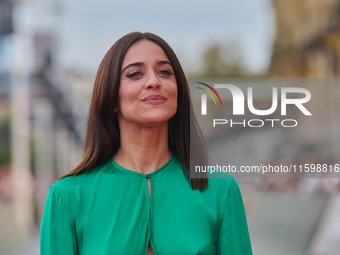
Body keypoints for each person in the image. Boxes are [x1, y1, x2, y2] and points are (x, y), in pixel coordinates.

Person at [40, 32, 252, 255]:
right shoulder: (66, 196)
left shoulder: (221, 189)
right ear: (111, 98)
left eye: (164, 72)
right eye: (135, 74)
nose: (154, 82)